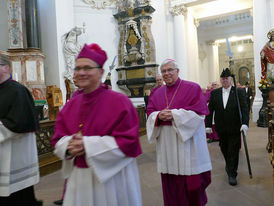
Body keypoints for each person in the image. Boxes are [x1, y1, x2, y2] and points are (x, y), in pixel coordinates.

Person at [51, 43, 142, 206]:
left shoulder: (119, 101)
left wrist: (87, 145)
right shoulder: (71, 104)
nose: (81, 73)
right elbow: (58, 137)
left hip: (111, 178)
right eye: (77, 69)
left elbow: (129, 141)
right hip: (79, 176)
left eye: (87, 68)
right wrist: (68, 146)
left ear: (101, 72)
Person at [146, 59, 212, 206]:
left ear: (177, 71)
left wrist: (175, 115)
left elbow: (200, 114)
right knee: (172, 186)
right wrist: (158, 116)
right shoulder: (156, 93)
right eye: (163, 71)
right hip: (167, 145)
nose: (167, 73)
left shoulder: (192, 88)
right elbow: (150, 112)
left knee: (192, 187)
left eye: (170, 70)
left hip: (187, 145)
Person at [0, 54, 42, 206]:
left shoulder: (18, 91)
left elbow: (18, 123)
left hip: (15, 158)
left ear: (6, 68)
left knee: (19, 198)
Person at [205, 68, 249, 186]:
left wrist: (245, 124)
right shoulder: (215, 93)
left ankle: (232, 174)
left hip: (235, 127)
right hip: (221, 127)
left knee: (233, 150)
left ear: (231, 79)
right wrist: (208, 125)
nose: (225, 80)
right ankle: (229, 165)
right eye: (223, 79)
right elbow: (210, 110)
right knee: (224, 148)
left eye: (227, 78)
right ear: (221, 80)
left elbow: (244, 109)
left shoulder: (239, 92)